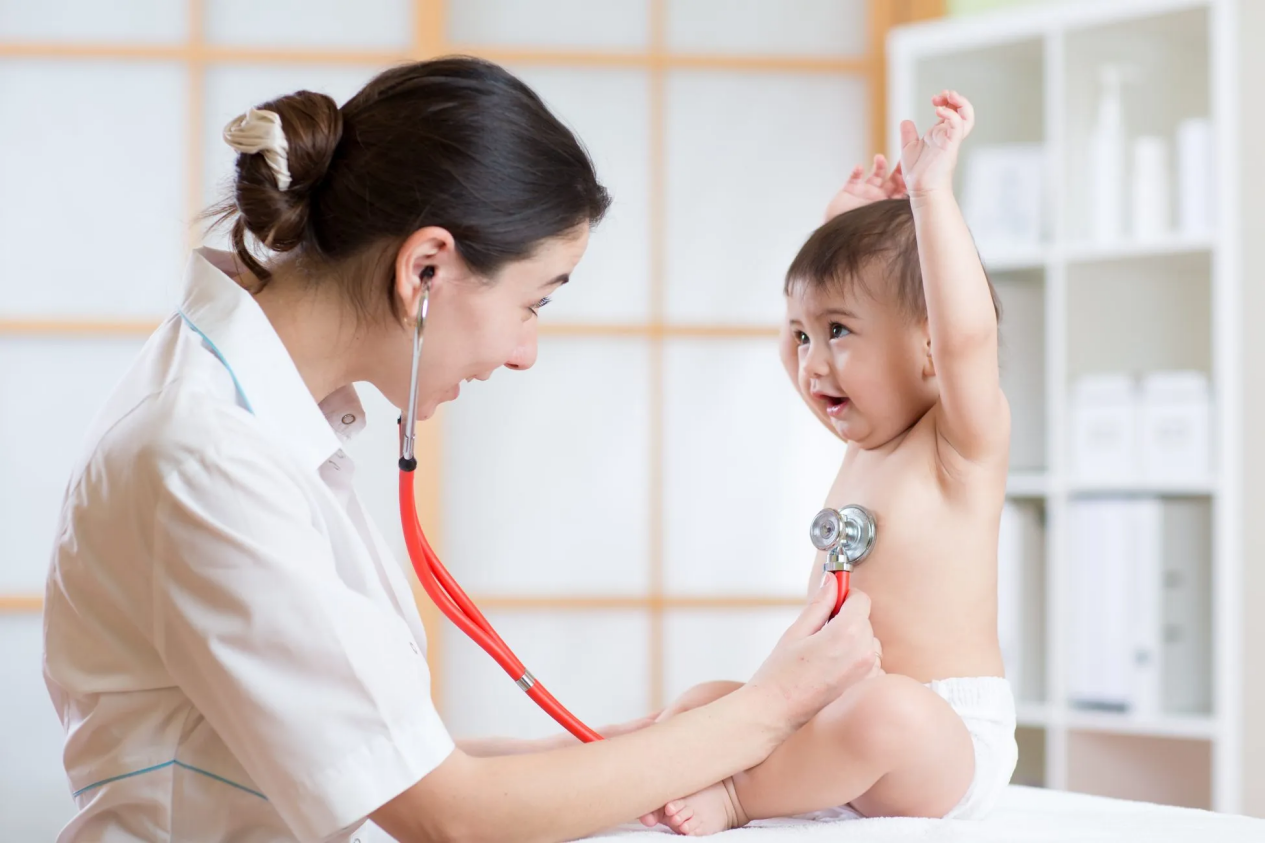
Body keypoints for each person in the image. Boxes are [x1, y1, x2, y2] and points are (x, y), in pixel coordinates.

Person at [40, 57, 882, 843]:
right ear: (426, 270)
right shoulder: (209, 455)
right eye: (534, 303)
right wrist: (770, 707)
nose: (525, 352)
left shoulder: (258, 415)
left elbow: (395, 760)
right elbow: (445, 813)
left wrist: (648, 747)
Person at [646, 92, 1018, 835]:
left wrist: (930, 196)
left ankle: (741, 798)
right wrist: (837, 228)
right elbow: (806, 340)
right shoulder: (863, 444)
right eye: (800, 336)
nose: (812, 362)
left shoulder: (955, 445)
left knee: (887, 710)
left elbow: (967, 338)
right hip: (836, 711)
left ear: (928, 346)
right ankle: (663, 767)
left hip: (939, 734)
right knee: (703, 702)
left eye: (838, 331)